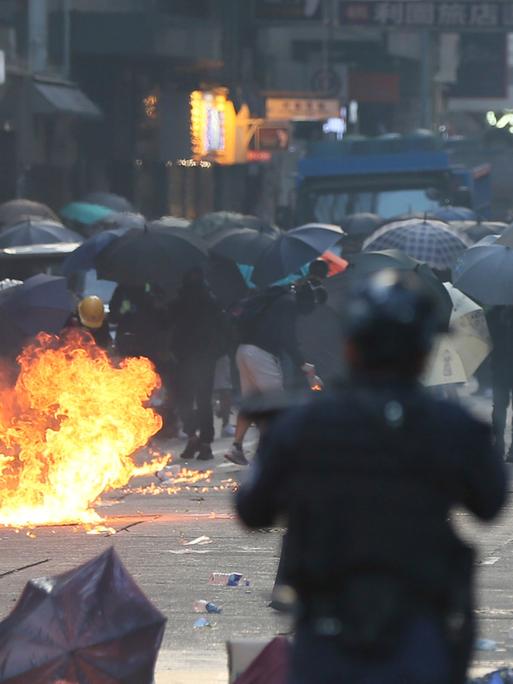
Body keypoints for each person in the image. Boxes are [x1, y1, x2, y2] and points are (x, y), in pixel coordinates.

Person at [236, 270, 507, 684]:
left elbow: (253, 510)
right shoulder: (449, 426)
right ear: (423, 352)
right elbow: (489, 503)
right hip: (419, 622)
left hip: (329, 624)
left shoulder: (307, 425)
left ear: (351, 346)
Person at [225, 283, 323, 466]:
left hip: (244, 351)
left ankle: (236, 447)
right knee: (277, 406)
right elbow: (288, 338)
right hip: (261, 355)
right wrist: (303, 364)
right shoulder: (289, 303)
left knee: (251, 402)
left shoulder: (277, 299)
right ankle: (270, 453)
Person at [169, 268, 229, 461]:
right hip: (203, 358)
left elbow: (169, 322)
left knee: (185, 399)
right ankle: (204, 443)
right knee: (203, 401)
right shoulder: (212, 301)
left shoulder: (180, 301)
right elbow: (223, 327)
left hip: (187, 357)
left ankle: (194, 437)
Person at [486, 305, 513, 461]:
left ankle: (503, 445)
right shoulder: (493, 314)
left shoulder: (493, 313)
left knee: (499, 406)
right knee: (499, 406)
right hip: (500, 367)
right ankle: (503, 445)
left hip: (500, 367)